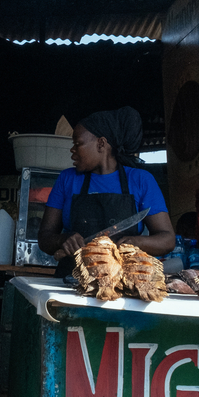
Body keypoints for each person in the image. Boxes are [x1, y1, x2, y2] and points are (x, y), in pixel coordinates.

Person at [36, 106, 175, 274]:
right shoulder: (67, 179)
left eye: (78, 144)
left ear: (101, 143)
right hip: (71, 281)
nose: (72, 150)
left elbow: (167, 239)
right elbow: (44, 238)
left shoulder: (140, 180)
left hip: (122, 283)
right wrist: (62, 240)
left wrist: (135, 242)